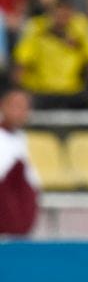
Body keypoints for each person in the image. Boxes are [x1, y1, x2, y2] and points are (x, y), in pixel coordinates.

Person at [0, 89, 39, 235]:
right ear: (3, 106)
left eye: (24, 108)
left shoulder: (21, 138)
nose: (20, 112)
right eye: (15, 106)